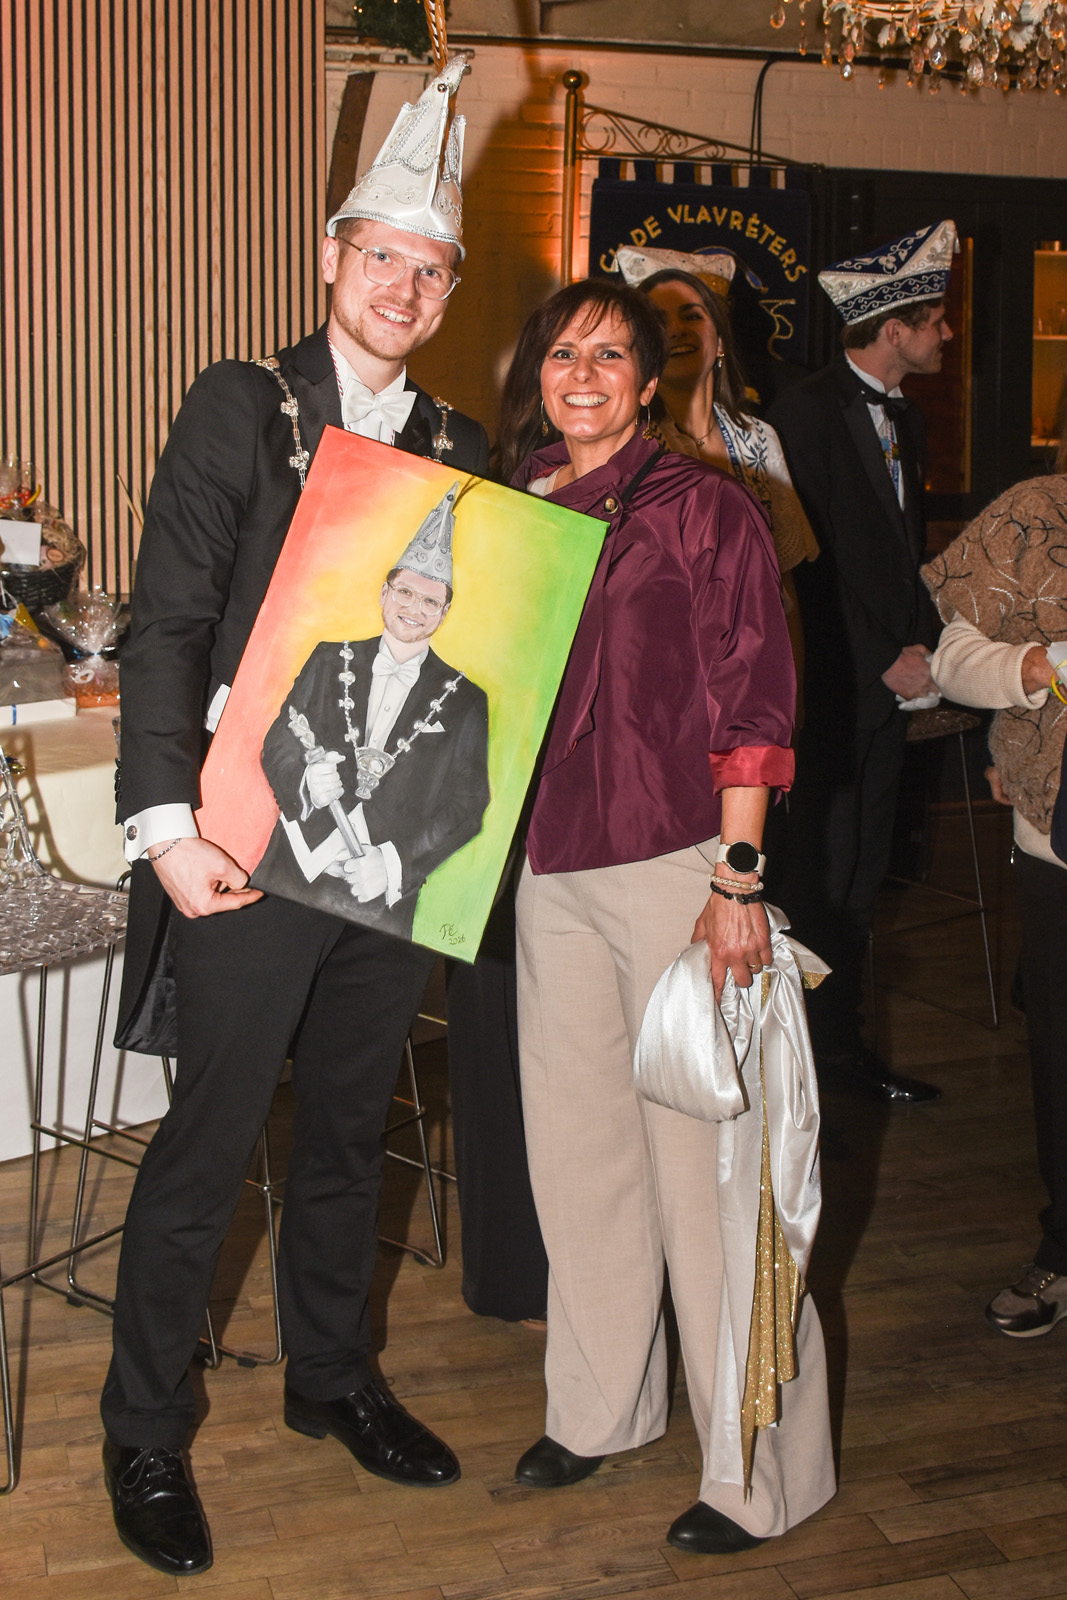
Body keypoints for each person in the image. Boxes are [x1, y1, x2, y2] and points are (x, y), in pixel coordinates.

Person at [103, 61, 486, 1578]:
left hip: (382, 873)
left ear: (448, 289)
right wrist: (165, 827)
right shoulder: (244, 404)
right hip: (245, 843)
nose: (402, 285)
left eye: (431, 267)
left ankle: (331, 1375)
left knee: (346, 1128)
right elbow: (166, 624)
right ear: (332, 257)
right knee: (208, 1143)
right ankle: (143, 1428)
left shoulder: (459, 447)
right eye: (381, 254)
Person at [498, 277, 836, 1554]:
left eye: (609, 355)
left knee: (715, 1178)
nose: (581, 374)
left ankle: (760, 1473)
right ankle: (600, 1408)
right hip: (550, 868)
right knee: (577, 1156)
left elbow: (756, 701)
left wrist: (736, 880)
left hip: (681, 866)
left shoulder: (708, 508)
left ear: (649, 381)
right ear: (537, 376)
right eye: (561, 353)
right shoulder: (517, 502)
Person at [768, 220, 957, 1104]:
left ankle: (842, 1056)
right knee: (814, 879)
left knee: (861, 878)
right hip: (834, 690)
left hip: (889, 695)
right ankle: (799, 1068)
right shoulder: (801, 416)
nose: (945, 333)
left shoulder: (904, 416)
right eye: (935, 321)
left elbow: (896, 553)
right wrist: (883, 657)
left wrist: (926, 645)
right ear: (893, 328)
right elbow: (806, 567)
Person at [922, 438, 1067, 1338]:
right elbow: (951, 658)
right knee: (1060, 1058)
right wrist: (1034, 668)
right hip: (1056, 837)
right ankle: (1062, 1249)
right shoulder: (1031, 513)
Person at [255, 485, 490, 939]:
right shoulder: (328, 658)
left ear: (444, 613)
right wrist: (306, 781)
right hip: (290, 874)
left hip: (379, 902)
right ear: (384, 593)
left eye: (430, 601)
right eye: (404, 592)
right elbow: (280, 739)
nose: (414, 608)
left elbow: (468, 804)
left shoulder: (465, 700)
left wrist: (394, 864)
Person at [616, 245, 818, 637]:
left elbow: (784, 589)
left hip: (754, 653)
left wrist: (793, 677)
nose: (678, 330)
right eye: (660, 321)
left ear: (720, 339)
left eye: (693, 315)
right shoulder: (627, 444)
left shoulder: (759, 439)